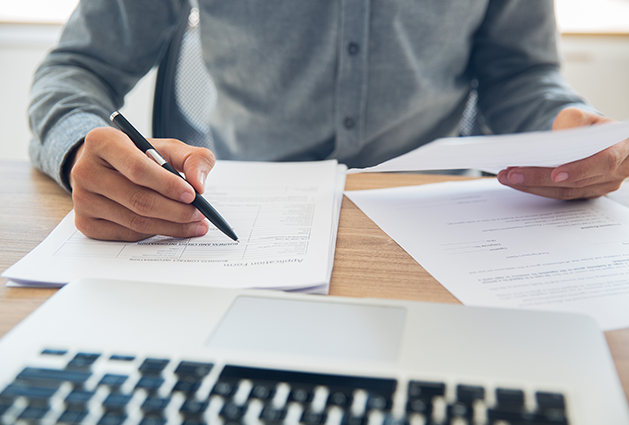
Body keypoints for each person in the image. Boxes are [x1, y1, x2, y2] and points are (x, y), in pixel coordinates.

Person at [28, 0, 629, 242]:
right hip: (247, 222)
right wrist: (80, 147)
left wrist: (562, 123)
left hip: (442, 226)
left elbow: (519, 72)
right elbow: (76, 69)